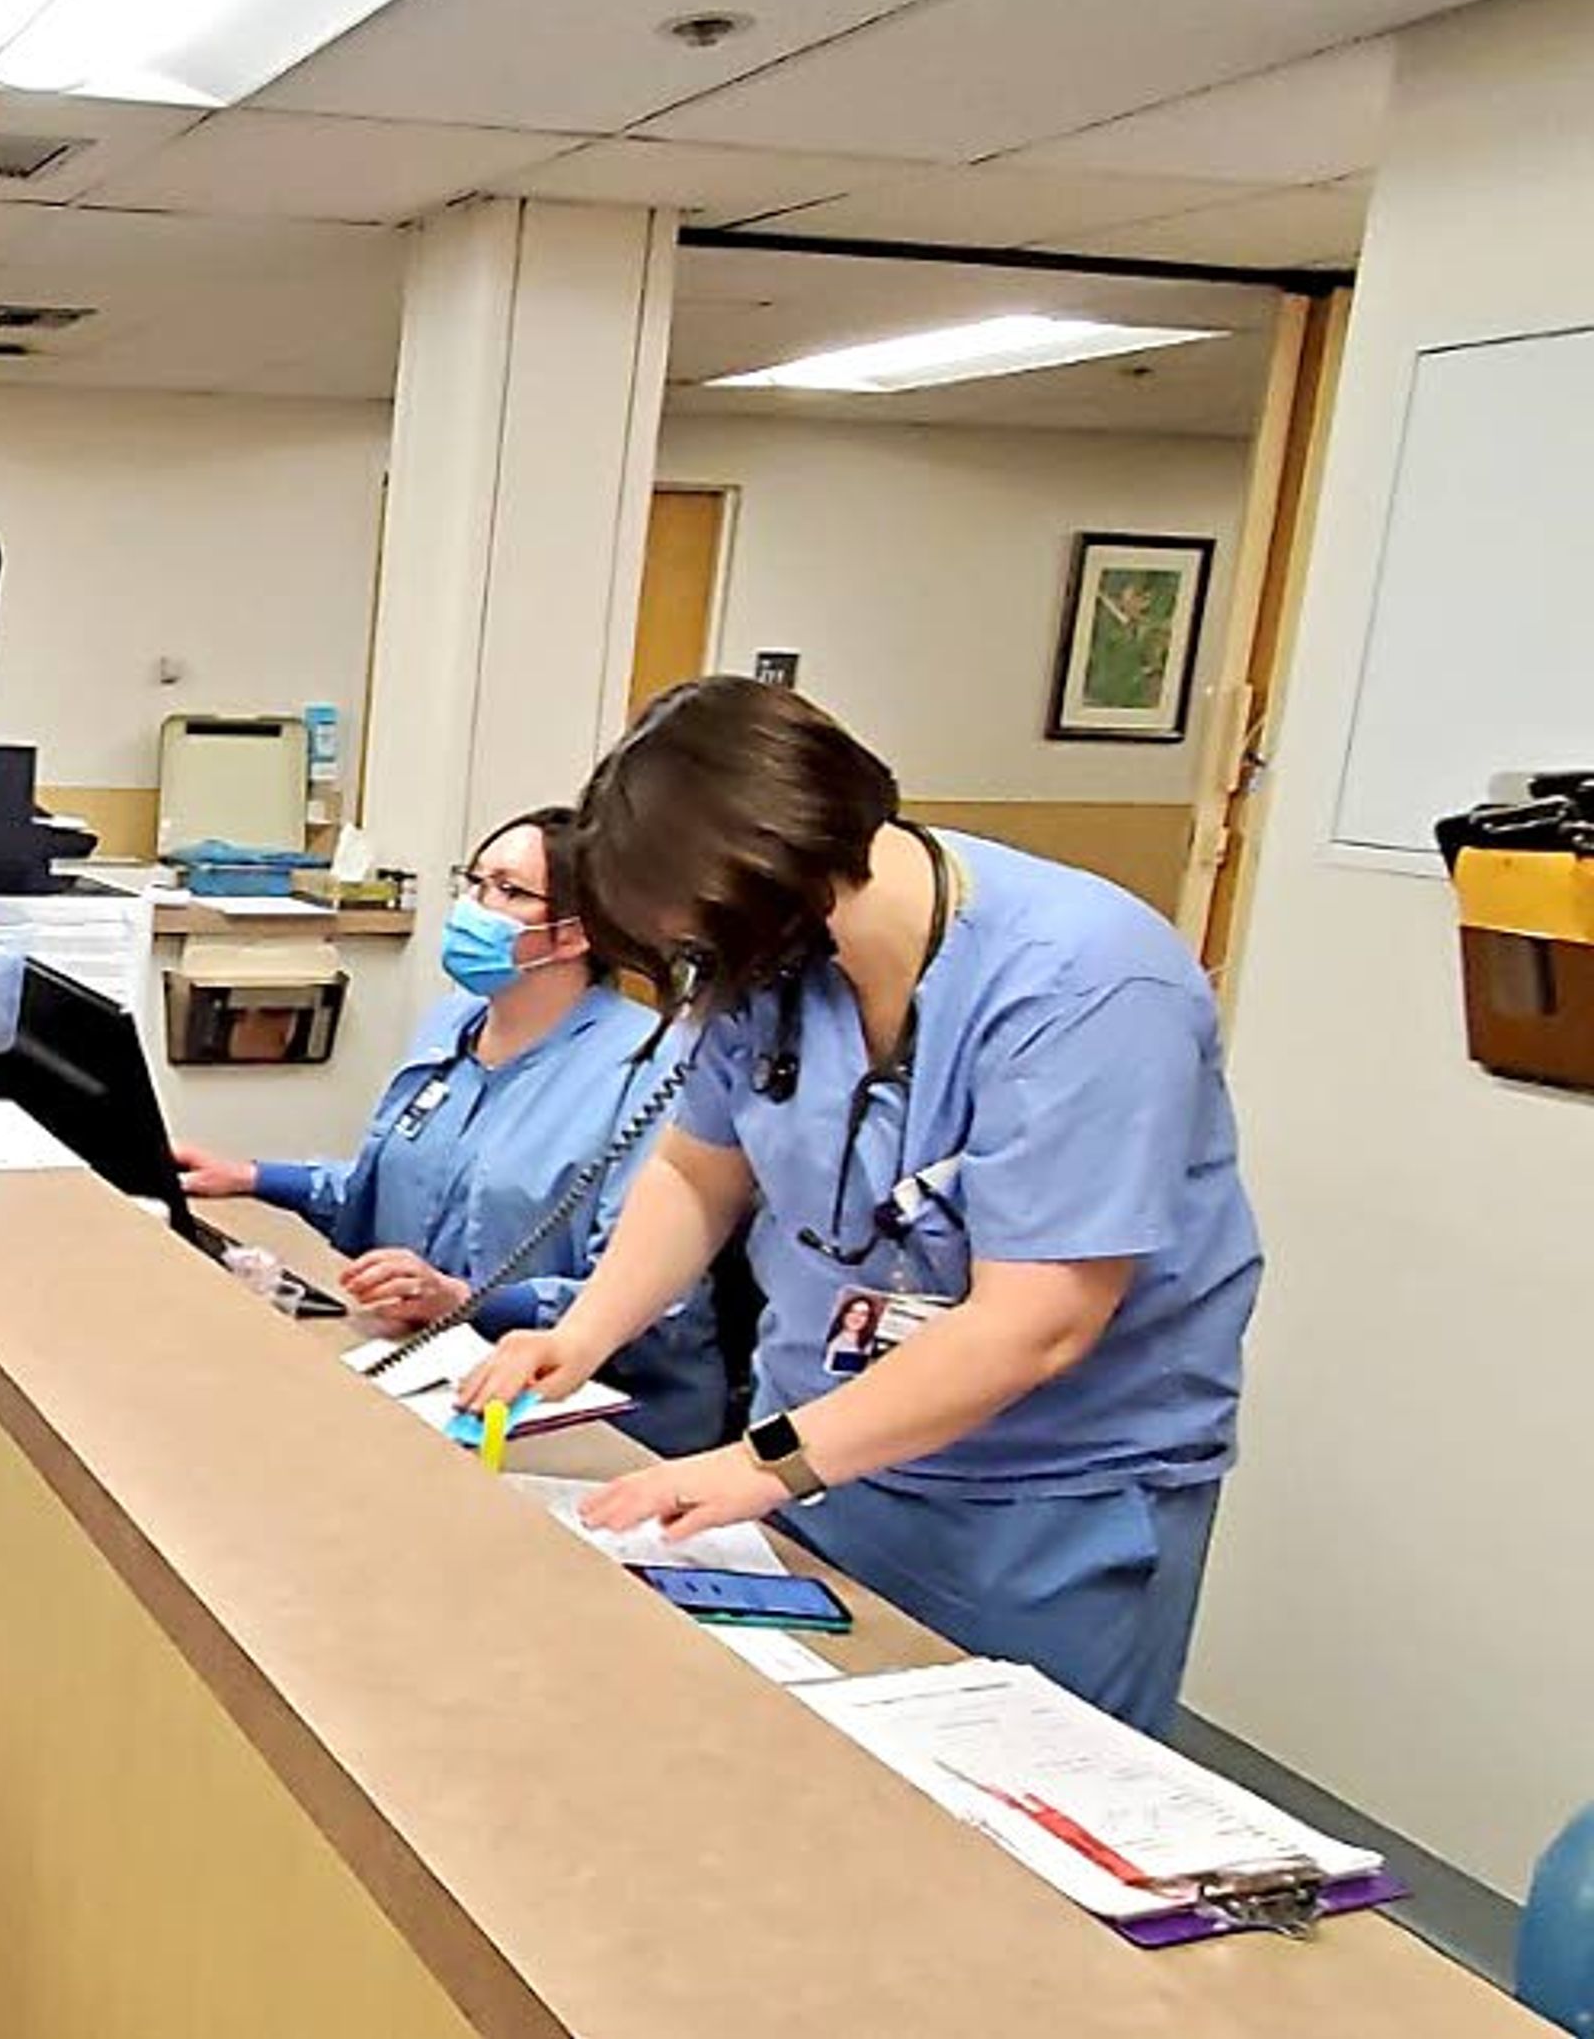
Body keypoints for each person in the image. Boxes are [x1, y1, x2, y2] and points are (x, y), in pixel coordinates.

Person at [458, 679, 1259, 1733]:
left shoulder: (1085, 984)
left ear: (776, 881)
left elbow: (1039, 1324)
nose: (698, 973)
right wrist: (585, 1332)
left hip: (1035, 1503)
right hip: (816, 1460)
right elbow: (702, 1168)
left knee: (1003, 1844)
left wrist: (767, 1464)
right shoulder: (774, 965)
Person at [176, 809, 728, 1455]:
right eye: (473, 883)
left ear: (574, 935)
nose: (476, 907)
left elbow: (647, 1296)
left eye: (509, 891)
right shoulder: (455, 1022)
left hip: (585, 1417)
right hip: (430, 1370)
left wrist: (464, 1299)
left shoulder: (652, 1064)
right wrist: (251, 1176)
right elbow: (385, 1183)